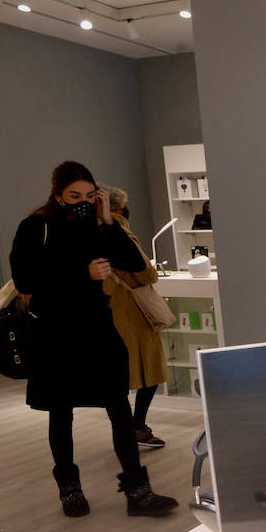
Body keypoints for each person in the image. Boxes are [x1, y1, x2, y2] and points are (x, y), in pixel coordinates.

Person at [10, 161, 179, 518]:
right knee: (61, 412)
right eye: (75, 196)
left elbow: (134, 262)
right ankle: (69, 488)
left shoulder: (99, 227)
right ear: (57, 194)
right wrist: (80, 273)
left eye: (90, 195)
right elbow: (25, 281)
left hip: (98, 328)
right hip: (55, 332)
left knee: (119, 408)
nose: (82, 202)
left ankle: (138, 491)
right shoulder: (36, 227)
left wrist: (107, 221)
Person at [101, 185, 169, 449]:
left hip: (105, 314)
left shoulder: (84, 233)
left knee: (113, 380)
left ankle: (125, 430)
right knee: (148, 371)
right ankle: (136, 427)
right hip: (132, 315)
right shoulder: (119, 232)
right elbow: (147, 274)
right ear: (117, 208)